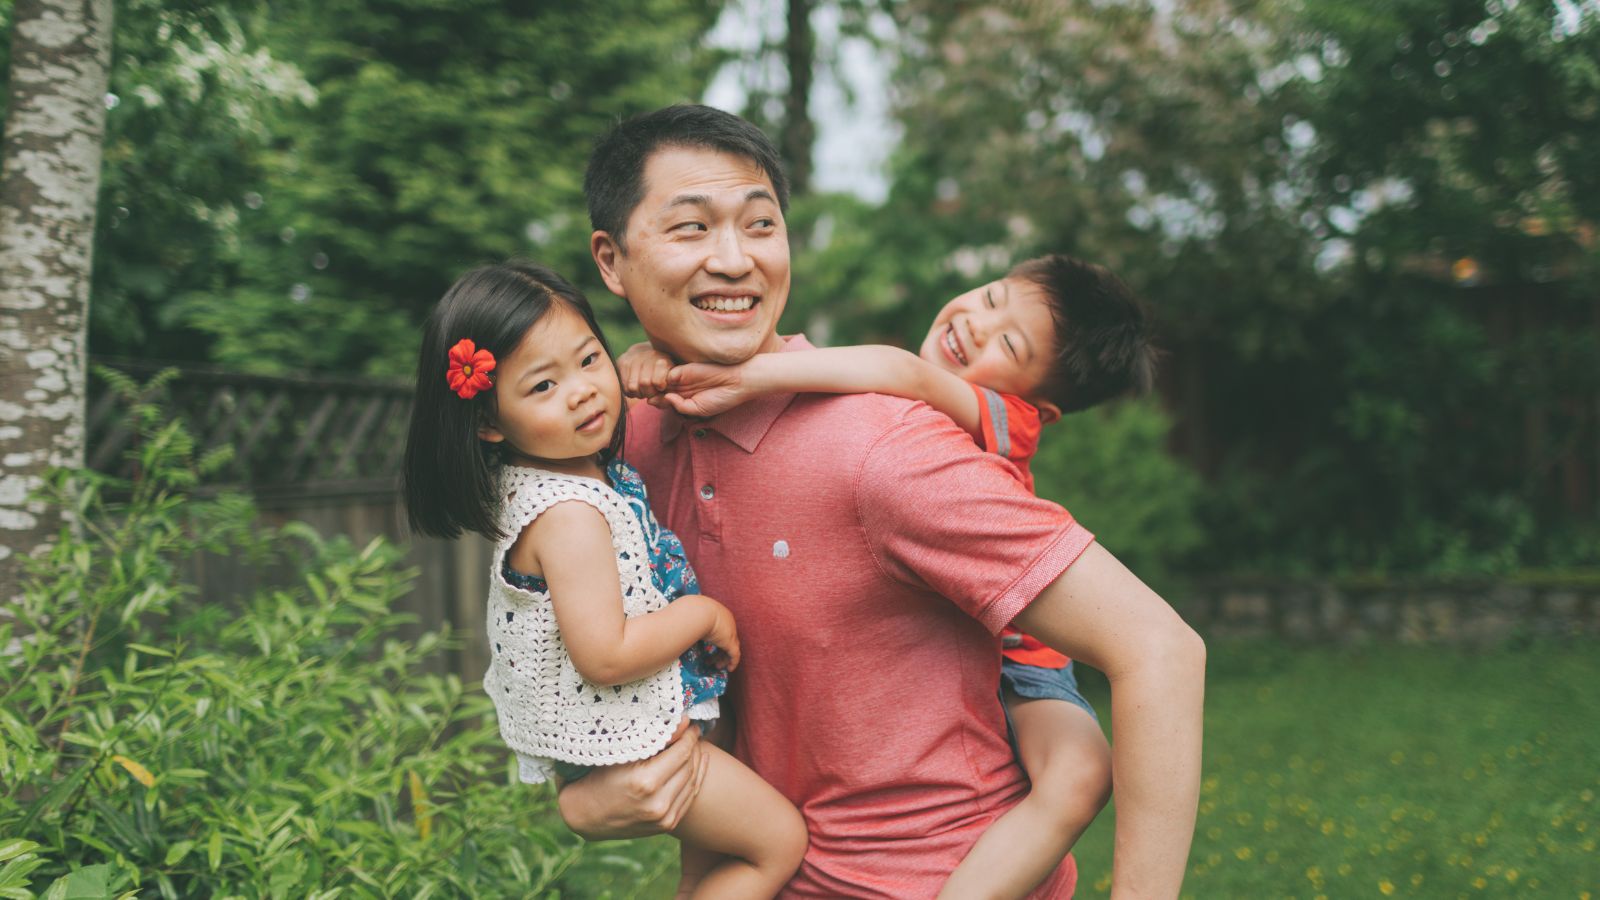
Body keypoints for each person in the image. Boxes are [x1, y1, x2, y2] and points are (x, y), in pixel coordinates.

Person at [558, 104, 1204, 899]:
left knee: (1074, 769)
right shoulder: (624, 443)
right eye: (691, 228)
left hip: (933, 876)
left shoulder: (888, 447)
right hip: (754, 875)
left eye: (760, 225)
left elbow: (1162, 652)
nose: (733, 259)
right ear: (611, 261)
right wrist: (589, 789)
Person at [615, 252, 1154, 898]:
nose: (978, 325)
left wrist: (752, 373)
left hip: (1027, 660)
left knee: (1080, 774)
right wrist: (639, 361)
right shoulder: (884, 408)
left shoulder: (1011, 416)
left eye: (1009, 341)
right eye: (991, 298)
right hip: (970, 642)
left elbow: (899, 370)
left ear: (1040, 400)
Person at [399, 260, 806, 898]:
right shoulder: (568, 514)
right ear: (489, 422)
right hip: (627, 739)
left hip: (632, 725)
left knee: (704, 870)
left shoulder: (563, 474)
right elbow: (606, 654)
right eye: (542, 386)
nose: (583, 391)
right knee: (778, 843)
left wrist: (644, 358)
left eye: (589, 360)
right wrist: (706, 615)